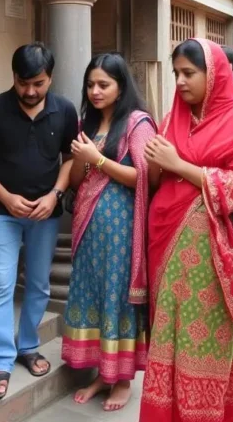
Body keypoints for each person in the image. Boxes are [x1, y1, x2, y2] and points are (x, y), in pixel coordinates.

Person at [140, 39, 233, 422]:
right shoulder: (173, 117)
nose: (180, 81)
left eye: (189, 73)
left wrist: (179, 165)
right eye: (176, 73)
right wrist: (155, 161)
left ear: (213, 74)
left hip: (214, 254)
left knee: (204, 336)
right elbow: (156, 179)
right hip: (165, 242)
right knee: (169, 334)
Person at [0, 43, 78, 400]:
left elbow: (70, 159)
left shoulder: (64, 110)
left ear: (50, 78)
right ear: (13, 76)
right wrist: (6, 197)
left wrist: (55, 195)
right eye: (23, 82)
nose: (30, 91)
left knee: (39, 286)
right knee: (1, 283)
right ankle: (1, 359)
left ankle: (28, 345)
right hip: (4, 213)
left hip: (46, 213)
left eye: (38, 83)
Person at [62, 53, 156, 411]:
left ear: (121, 86)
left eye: (104, 84)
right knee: (95, 293)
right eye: (90, 85)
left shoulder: (136, 123)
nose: (95, 91)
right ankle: (104, 373)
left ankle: (123, 379)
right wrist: (83, 158)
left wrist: (98, 159)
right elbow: (76, 181)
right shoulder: (86, 124)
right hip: (89, 228)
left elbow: (145, 178)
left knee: (117, 296)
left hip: (122, 231)